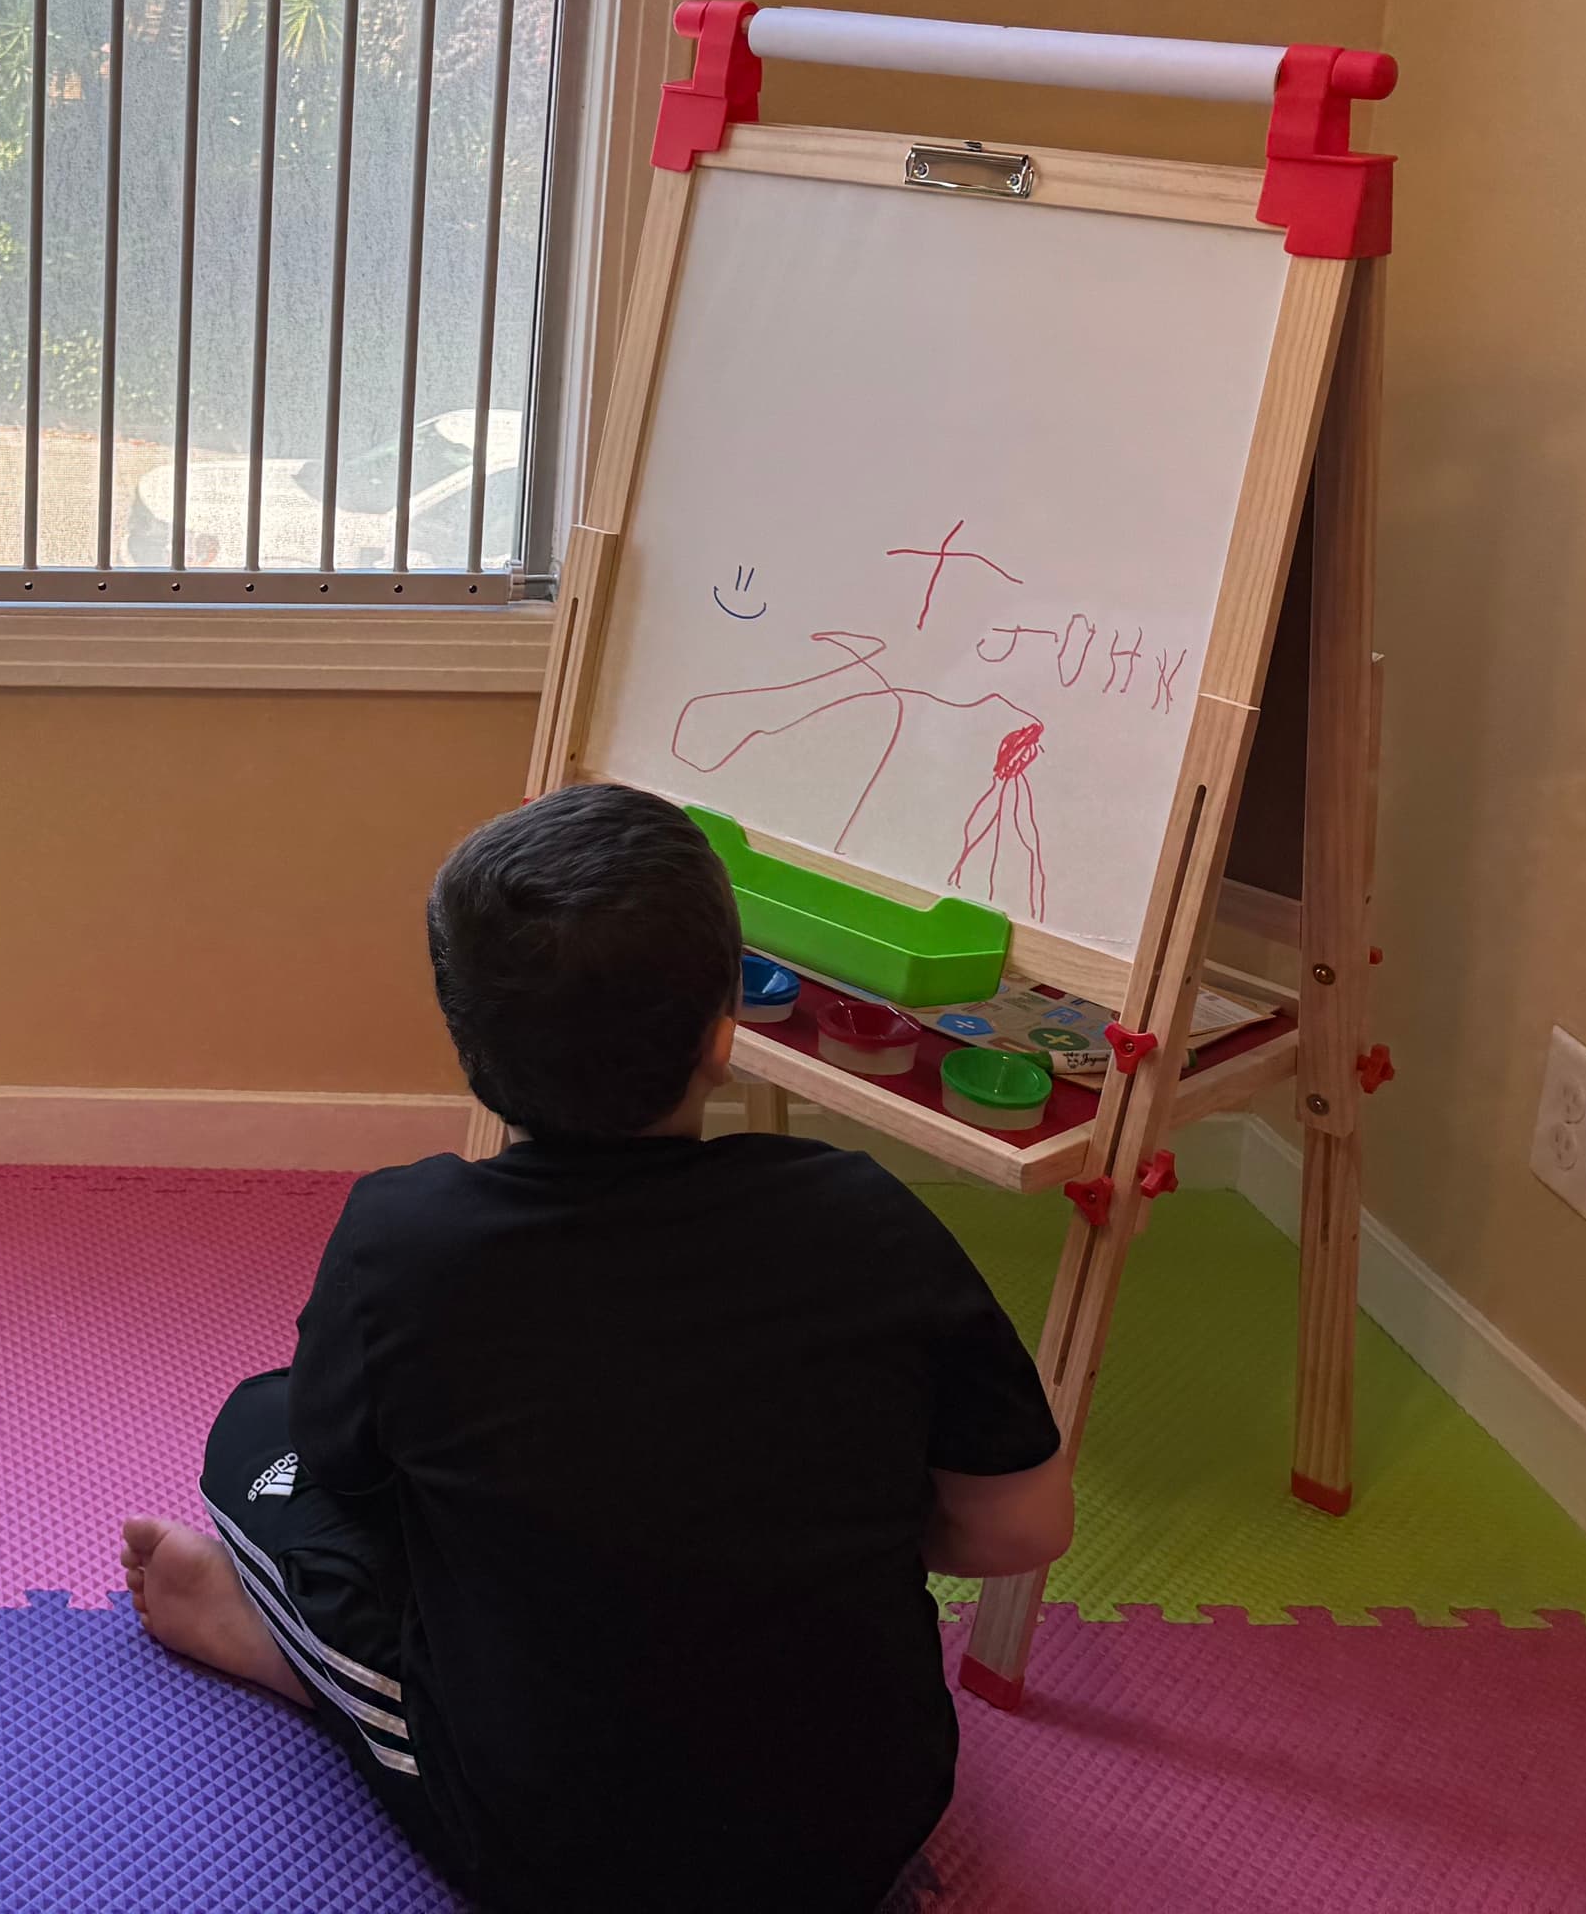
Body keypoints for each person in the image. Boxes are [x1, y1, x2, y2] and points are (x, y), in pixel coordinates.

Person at [121, 783, 1072, 1913]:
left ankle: (283, 1653)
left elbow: (348, 1476)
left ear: (470, 1049)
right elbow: (1023, 1525)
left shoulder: (403, 1242)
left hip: (556, 1850)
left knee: (257, 1433)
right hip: (870, 1820)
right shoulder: (866, 1214)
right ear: (723, 1038)